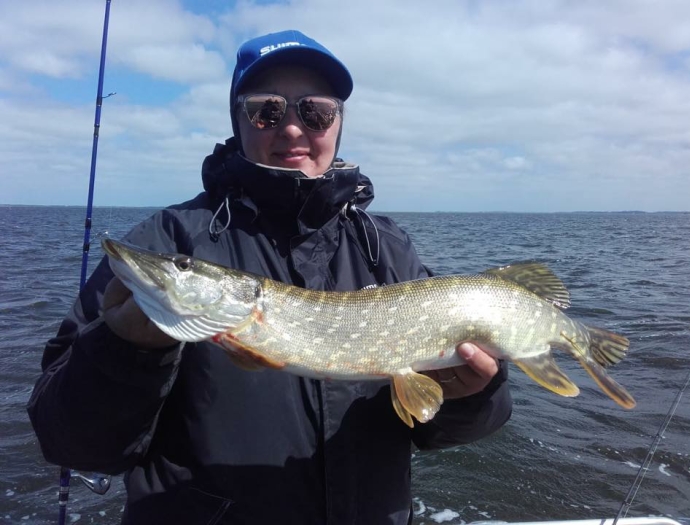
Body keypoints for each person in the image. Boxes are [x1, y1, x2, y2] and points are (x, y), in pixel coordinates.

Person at [28, 30, 512, 524]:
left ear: (338, 123)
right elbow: (68, 441)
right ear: (238, 121)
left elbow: (433, 428)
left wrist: (473, 395)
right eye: (267, 111)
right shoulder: (168, 239)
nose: (293, 129)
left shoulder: (385, 247)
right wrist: (125, 351)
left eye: (316, 112)